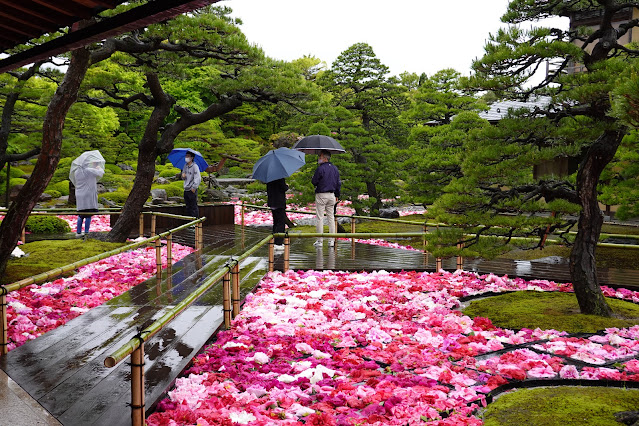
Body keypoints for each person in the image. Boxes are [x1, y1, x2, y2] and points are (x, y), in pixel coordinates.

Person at [311, 150, 341, 247]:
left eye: (320, 156)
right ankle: (331, 240)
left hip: (321, 194)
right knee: (331, 217)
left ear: (324, 157)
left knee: (320, 217)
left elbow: (314, 182)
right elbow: (338, 183)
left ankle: (320, 241)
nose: (318, 158)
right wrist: (337, 195)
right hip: (332, 195)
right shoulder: (335, 168)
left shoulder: (320, 169)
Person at [74, 161, 104, 236]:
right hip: (88, 194)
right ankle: (86, 232)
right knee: (88, 214)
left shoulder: (77, 171)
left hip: (79, 193)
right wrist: (98, 167)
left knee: (81, 214)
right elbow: (100, 173)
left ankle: (78, 232)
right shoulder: (89, 170)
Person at [266, 178, 288, 252]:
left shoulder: (269, 178)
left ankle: (274, 239)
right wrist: (287, 186)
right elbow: (283, 188)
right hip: (279, 202)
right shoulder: (280, 177)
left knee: (275, 222)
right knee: (281, 222)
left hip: (272, 202)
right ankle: (278, 243)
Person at [182, 150, 201, 220]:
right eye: (186, 156)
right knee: (188, 206)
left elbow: (198, 178)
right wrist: (183, 176)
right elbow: (183, 176)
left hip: (191, 189)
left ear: (192, 158)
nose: (186, 158)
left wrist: (194, 187)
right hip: (186, 189)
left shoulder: (195, 166)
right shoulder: (185, 166)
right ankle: (189, 222)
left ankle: (195, 222)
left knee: (193, 206)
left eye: (188, 156)